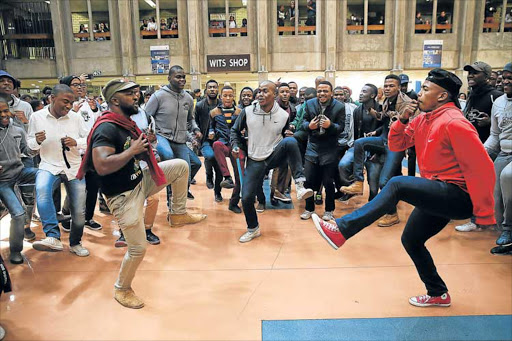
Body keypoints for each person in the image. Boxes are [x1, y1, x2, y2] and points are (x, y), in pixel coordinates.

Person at [312, 69, 496, 307]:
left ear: (442, 96)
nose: (419, 94)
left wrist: (483, 214)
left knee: (397, 183)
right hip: (437, 191)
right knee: (411, 239)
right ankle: (438, 293)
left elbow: (482, 169)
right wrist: (403, 120)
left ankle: (342, 230)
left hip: (459, 196)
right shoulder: (423, 119)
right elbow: (396, 144)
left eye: (426, 89)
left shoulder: (454, 122)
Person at [78, 79, 205, 309]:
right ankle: (122, 288)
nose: (136, 97)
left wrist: (144, 149)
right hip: (123, 196)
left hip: (139, 181)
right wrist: (133, 150)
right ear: (115, 100)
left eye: (136, 93)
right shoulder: (106, 127)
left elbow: (131, 153)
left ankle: (177, 214)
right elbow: (102, 165)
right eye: (130, 94)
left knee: (180, 166)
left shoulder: (126, 123)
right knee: (138, 249)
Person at [230, 81, 313, 243]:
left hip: (273, 156)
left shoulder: (283, 115)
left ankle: (301, 185)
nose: (260, 94)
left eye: (265, 91)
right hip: (255, 158)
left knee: (291, 142)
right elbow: (234, 131)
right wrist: (235, 145)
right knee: (246, 198)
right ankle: (253, 229)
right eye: (259, 91)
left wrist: (289, 135)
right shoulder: (247, 111)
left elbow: (284, 134)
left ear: (274, 95)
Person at [341, 74, 413, 228]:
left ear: (399, 87)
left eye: (391, 86)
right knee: (360, 143)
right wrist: (377, 117)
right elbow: (385, 119)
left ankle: (392, 214)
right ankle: (358, 181)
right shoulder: (386, 101)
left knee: (384, 181)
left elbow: (410, 127)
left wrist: (398, 120)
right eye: (386, 86)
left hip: (396, 144)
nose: (387, 89)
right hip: (384, 139)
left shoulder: (406, 103)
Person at [27, 85, 90, 256]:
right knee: (42, 190)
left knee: (79, 211)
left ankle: (76, 243)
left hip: (74, 167)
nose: (69, 106)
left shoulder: (76, 118)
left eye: (71, 102)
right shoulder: (36, 117)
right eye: (65, 101)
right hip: (49, 165)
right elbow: (30, 145)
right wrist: (37, 142)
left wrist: (75, 142)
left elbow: (88, 139)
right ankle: (53, 236)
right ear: (52, 99)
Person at [145, 65, 202, 207]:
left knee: (188, 170)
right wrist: (149, 135)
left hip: (180, 140)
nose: (181, 79)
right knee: (169, 157)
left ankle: (179, 202)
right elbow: (146, 116)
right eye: (178, 76)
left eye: (183, 76)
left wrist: (195, 130)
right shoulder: (158, 96)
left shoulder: (188, 98)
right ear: (169, 78)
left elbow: (190, 119)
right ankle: (170, 198)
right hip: (162, 136)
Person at [0, 96, 38, 264]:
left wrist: (37, 143)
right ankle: (15, 250)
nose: (3, 114)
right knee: (18, 213)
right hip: (2, 181)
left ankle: (49, 214)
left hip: (20, 172)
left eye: (5, 110)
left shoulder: (18, 130)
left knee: (48, 175)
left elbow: (27, 151)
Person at [300, 81, 345, 221]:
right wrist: (310, 126)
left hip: (330, 148)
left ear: (331, 93)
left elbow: (341, 128)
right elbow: (303, 123)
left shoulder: (339, 106)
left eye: (325, 91)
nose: (322, 94)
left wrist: (330, 125)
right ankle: (309, 209)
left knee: (328, 182)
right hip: (312, 147)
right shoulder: (309, 104)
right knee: (308, 181)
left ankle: (329, 210)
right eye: (319, 91)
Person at [484, 62, 512, 254]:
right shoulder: (499, 102)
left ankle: (509, 229)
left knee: (507, 177)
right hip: (503, 152)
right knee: (496, 194)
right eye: (504, 78)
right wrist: (481, 151)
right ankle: (505, 235)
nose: (505, 81)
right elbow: (495, 134)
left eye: (510, 78)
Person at [211, 86, 244, 213]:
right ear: (221, 97)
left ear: (233, 97)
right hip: (223, 144)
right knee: (216, 145)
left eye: (230, 95)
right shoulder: (214, 112)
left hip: (236, 146)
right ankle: (227, 177)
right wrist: (210, 132)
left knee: (240, 174)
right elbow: (210, 127)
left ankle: (234, 202)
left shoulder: (240, 112)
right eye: (225, 95)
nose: (228, 98)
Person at [195, 80, 222, 198]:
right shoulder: (200, 105)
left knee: (220, 166)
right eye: (210, 87)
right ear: (206, 90)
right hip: (205, 139)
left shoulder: (222, 105)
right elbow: (194, 121)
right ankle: (209, 174)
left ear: (217, 89)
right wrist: (197, 133)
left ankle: (217, 193)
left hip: (220, 140)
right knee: (210, 156)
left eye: (214, 87)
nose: (212, 89)